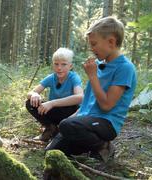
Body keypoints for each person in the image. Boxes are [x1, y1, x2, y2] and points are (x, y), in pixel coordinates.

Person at [46, 17, 137, 162]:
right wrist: (74, 116)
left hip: (107, 122)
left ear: (111, 42)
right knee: (52, 152)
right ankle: (86, 148)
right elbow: (88, 102)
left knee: (67, 125)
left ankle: (103, 147)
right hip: (87, 118)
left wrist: (93, 76)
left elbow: (107, 106)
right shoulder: (99, 64)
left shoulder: (125, 68)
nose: (91, 49)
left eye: (94, 44)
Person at [26, 48, 84, 142]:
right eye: (56, 64)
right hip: (54, 112)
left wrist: (52, 103)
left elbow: (80, 97)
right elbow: (30, 93)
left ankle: (60, 133)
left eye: (64, 64)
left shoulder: (74, 77)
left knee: (71, 109)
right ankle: (50, 128)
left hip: (70, 113)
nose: (59, 68)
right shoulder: (51, 78)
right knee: (30, 103)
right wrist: (34, 94)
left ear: (70, 66)